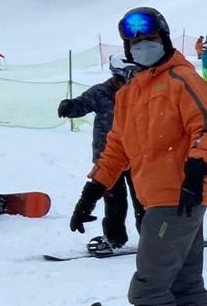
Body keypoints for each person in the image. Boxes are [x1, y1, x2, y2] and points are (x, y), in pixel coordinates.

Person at [69, 7, 207, 306]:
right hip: (154, 195)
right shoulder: (129, 93)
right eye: (135, 42)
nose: (142, 46)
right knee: (185, 275)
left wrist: (195, 173)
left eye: (150, 39)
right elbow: (116, 149)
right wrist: (92, 190)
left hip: (179, 194)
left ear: (165, 40)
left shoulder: (183, 79)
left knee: (151, 274)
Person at [56, 57, 143, 252]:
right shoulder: (101, 92)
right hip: (108, 157)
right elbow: (82, 104)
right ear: (119, 76)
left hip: (135, 156)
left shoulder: (139, 92)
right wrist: (69, 106)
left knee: (143, 200)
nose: (134, 80)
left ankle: (151, 236)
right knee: (114, 202)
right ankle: (114, 238)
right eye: (130, 76)